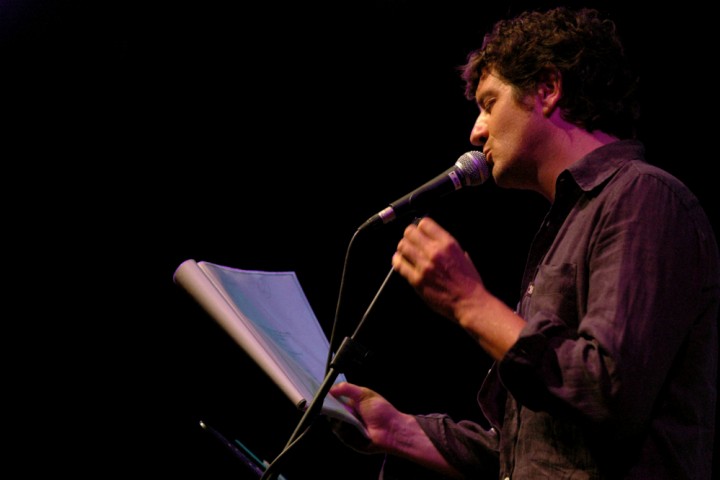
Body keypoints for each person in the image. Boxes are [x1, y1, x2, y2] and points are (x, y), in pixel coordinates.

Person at [328, 6, 720, 479]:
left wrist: (470, 303)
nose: (476, 131)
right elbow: (535, 452)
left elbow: (606, 392)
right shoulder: (567, 225)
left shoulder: (643, 197)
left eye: (489, 103)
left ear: (548, 89)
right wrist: (399, 431)